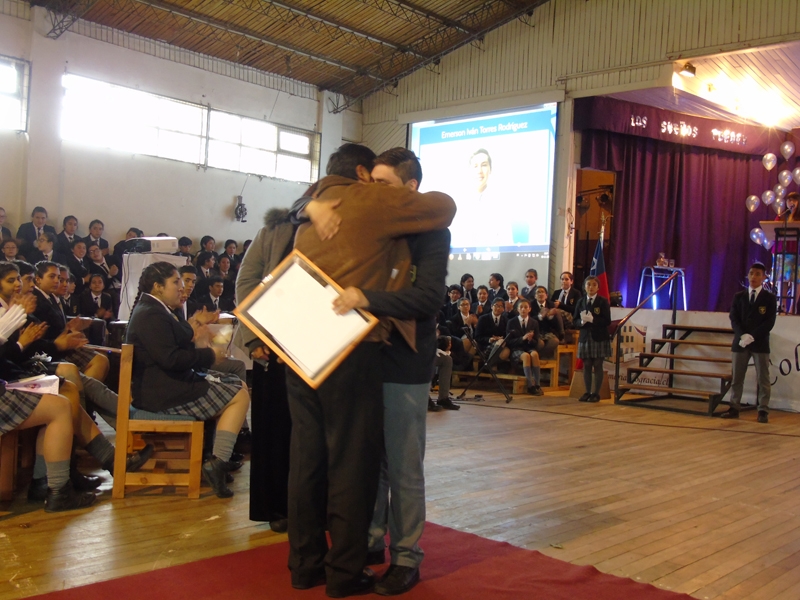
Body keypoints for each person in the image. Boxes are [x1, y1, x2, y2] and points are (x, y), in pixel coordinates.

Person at [285, 143, 455, 597]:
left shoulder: (431, 229)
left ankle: (406, 556)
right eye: (370, 182)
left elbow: (428, 299)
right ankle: (367, 541)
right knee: (364, 462)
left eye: (383, 184)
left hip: (402, 355)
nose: (372, 190)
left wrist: (367, 298)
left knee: (401, 465)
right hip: (358, 353)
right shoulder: (358, 209)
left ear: (410, 188)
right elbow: (289, 210)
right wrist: (309, 205)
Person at [125, 262, 251, 497]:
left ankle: (213, 458)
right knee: (239, 396)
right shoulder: (151, 313)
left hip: (169, 384)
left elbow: (179, 342)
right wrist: (209, 355)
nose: (181, 288)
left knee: (238, 384)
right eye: (176, 282)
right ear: (157, 286)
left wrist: (198, 327)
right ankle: (218, 462)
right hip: (164, 394)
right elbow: (171, 359)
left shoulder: (158, 309)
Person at [235, 207, 296, 533]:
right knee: (275, 428)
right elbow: (246, 282)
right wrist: (253, 337)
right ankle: (277, 505)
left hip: (322, 346)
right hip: (272, 344)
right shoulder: (276, 230)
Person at [722, 262, 776, 423]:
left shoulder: (769, 298)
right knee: (737, 378)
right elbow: (734, 318)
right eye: (751, 273)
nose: (753, 277)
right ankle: (734, 407)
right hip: (741, 343)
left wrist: (752, 336)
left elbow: (769, 322)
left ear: (764, 277)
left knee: (763, 378)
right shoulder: (739, 297)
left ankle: (763, 410)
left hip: (759, 343)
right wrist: (742, 335)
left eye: (758, 274)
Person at [574, 275, 611, 403]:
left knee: (597, 364)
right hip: (585, 337)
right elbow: (575, 320)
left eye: (594, 285)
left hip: (599, 337)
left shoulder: (602, 301)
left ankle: (596, 393)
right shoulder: (581, 302)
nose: (591, 287)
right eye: (588, 284)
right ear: (584, 287)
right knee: (587, 364)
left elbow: (607, 320)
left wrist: (593, 319)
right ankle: (587, 392)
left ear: (598, 287)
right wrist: (581, 322)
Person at [506, 299, 544, 395]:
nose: (523, 309)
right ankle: (530, 386)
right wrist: (522, 338)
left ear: (529, 309)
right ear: (517, 309)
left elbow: (536, 342)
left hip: (528, 347)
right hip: (516, 349)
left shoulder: (534, 322)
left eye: (526, 307)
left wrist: (530, 340)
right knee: (526, 356)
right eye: (521, 307)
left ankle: (538, 385)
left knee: (534, 354)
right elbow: (509, 341)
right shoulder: (511, 322)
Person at [533, 286, 564, 358]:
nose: (540, 294)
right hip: (536, 331)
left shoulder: (551, 305)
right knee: (540, 343)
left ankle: (539, 356)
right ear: (535, 296)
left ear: (546, 295)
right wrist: (540, 316)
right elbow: (530, 320)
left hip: (547, 331)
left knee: (555, 341)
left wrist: (550, 317)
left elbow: (555, 324)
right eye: (538, 292)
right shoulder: (531, 305)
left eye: (542, 292)